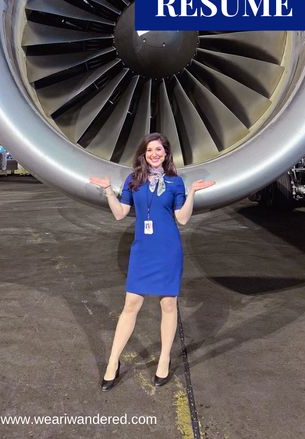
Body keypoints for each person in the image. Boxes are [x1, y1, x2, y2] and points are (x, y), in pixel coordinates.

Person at [89, 132, 215, 391]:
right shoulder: (133, 180)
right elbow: (120, 213)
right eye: (149, 150)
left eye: (159, 149)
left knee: (168, 304)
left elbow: (182, 219)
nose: (154, 154)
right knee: (131, 304)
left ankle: (165, 359)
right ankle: (113, 362)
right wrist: (107, 192)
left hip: (167, 249)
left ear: (166, 154)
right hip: (142, 249)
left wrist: (191, 193)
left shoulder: (176, 183)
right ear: (143, 155)